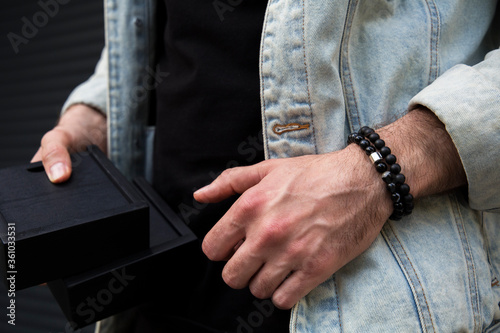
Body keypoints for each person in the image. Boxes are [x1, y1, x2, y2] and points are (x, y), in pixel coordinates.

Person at [32, 0, 500, 332]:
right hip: (154, 300)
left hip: (366, 307)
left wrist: (377, 171)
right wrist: (96, 113)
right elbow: (153, 27)